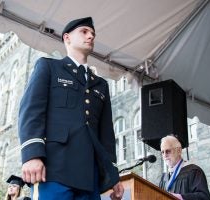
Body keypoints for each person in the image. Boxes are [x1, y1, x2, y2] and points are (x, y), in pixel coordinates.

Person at [18, 16, 124, 200]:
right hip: (54, 169)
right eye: (84, 32)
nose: (90, 36)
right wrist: (32, 154)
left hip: (89, 176)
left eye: (92, 33)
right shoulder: (49, 67)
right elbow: (31, 111)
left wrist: (112, 175)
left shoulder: (101, 85)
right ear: (67, 38)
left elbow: (106, 134)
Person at [159, 135, 210, 200]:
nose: (165, 155)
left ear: (179, 151)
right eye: (162, 152)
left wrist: (181, 198)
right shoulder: (164, 177)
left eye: (168, 151)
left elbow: (204, 197)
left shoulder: (193, 171)